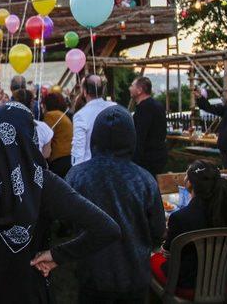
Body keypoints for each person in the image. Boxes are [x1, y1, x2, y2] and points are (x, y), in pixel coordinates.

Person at [0, 102, 121, 303]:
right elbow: (106, 227)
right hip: (26, 291)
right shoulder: (44, 182)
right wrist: (56, 255)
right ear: (30, 137)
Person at [66, 105, 166, 302]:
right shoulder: (144, 180)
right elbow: (158, 229)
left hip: (92, 274)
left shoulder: (77, 176)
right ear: (131, 136)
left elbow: (68, 223)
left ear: (96, 136)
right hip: (133, 276)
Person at [151, 160, 227, 290]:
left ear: (189, 183)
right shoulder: (225, 212)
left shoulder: (180, 218)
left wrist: (163, 248)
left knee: (151, 259)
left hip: (188, 283)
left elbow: (167, 252)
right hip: (223, 279)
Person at [71, 75, 116, 165]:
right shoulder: (114, 107)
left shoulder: (81, 115)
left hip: (91, 167)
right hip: (115, 165)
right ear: (102, 90)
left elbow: (78, 150)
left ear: (84, 92)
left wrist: (76, 173)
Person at [129, 76, 168, 176]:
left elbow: (139, 136)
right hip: (159, 156)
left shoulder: (144, 108)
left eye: (132, 85)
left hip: (147, 160)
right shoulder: (158, 105)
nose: (129, 88)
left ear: (139, 90)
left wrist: (133, 161)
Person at [12, 89, 53, 159]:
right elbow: (46, 154)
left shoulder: (8, 126)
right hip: (36, 167)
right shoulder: (43, 128)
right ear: (32, 103)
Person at [43, 92, 73, 178]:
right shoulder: (62, 115)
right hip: (68, 157)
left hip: (59, 159)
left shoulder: (51, 115)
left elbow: (46, 137)